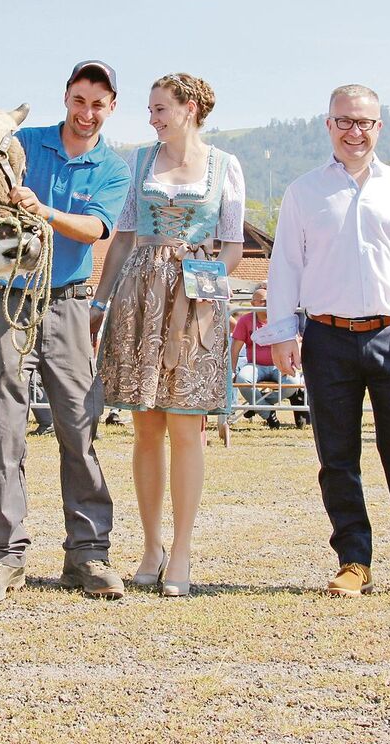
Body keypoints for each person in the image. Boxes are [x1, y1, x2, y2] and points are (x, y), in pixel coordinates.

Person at [251, 84, 390, 601]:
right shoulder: (303, 192)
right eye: (344, 121)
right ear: (328, 125)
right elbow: (286, 266)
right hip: (326, 337)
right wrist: (283, 331)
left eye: (364, 122)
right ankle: (353, 561)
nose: (354, 131)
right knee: (337, 456)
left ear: (379, 127)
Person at [0, 60, 131, 604]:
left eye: (98, 104)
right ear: (66, 97)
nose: (87, 113)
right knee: (3, 429)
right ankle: (3, 556)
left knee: (79, 428)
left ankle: (88, 554)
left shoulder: (113, 168)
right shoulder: (22, 144)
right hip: (6, 299)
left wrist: (45, 211)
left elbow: (94, 229)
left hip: (68, 304)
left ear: (111, 108)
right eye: (79, 100)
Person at [95, 72, 245, 597]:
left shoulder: (225, 166)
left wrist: (204, 286)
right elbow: (123, 238)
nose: (153, 118)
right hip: (140, 297)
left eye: (160, 109)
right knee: (146, 428)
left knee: (186, 428)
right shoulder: (140, 162)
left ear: (189, 109)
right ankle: (151, 544)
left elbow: (232, 245)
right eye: (151, 110)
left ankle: (181, 548)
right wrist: (101, 301)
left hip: (196, 301)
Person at [231, 285, 286, 429]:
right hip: (254, 366)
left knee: (293, 382)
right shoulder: (245, 320)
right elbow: (235, 348)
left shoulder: (279, 319)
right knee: (243, 379)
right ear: (252, 303)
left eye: (269, 300)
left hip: (278, 365)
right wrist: (232, 370)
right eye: (263, 301)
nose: (267, 303)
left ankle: (255, 404)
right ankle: (267, 413)